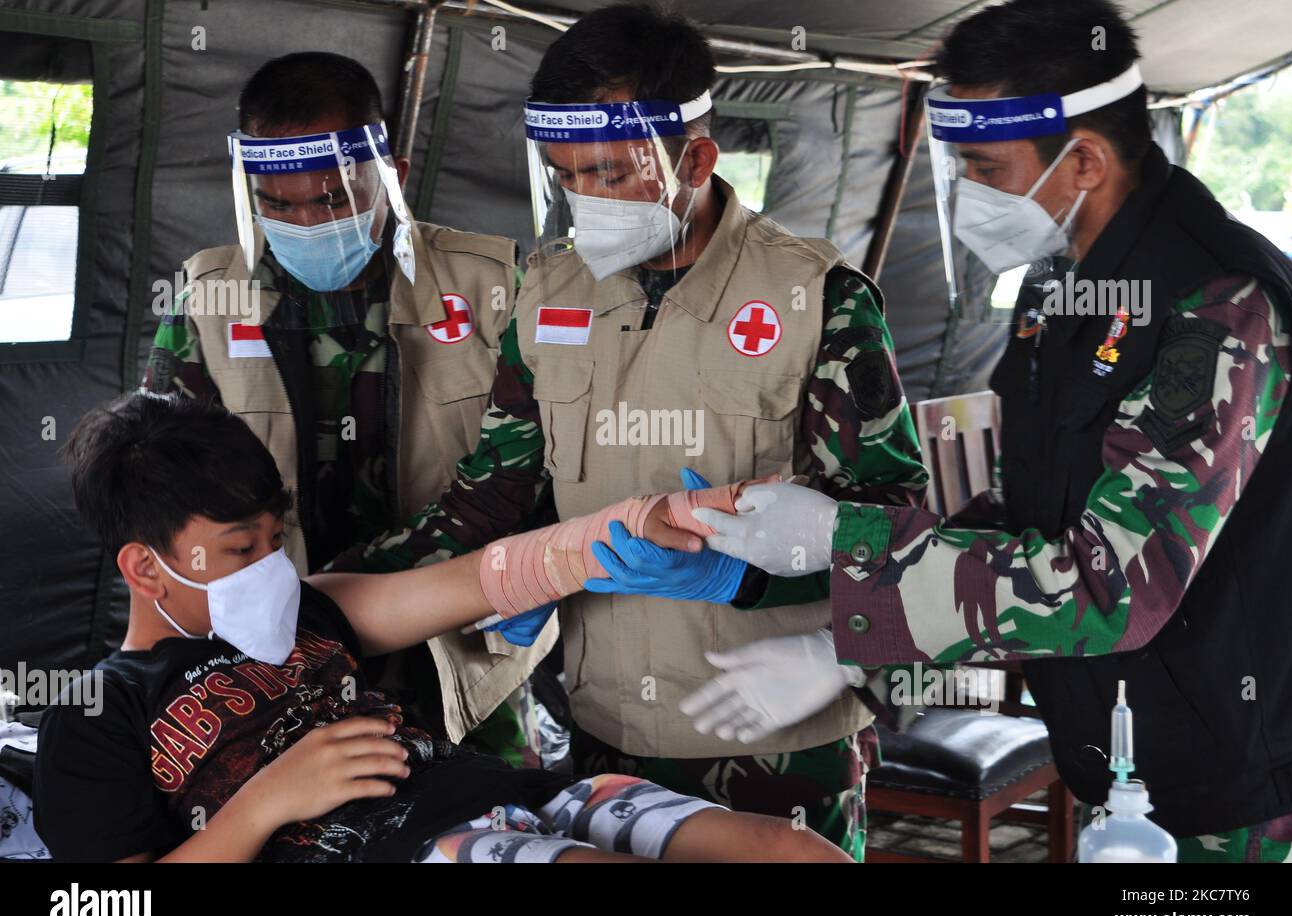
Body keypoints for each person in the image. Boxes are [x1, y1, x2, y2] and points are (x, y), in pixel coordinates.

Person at [677, 0, 1292, 863]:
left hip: (1237, 796)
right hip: (1122, 760)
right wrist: (859, 645)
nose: (966, 193)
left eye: (983, 166)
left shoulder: (1219, 306)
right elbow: (1023, 513)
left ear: (1082, 160)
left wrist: (845, 540)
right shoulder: (1057, 292)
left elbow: (1108, 584)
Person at [330, 4, 928, 861]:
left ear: (697, 158)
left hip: (782, 743)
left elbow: (898, 532)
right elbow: (488, 499)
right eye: (566, 177)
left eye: (612, 175)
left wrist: (760, 589)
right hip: (608, 741)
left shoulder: (817, 300)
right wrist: (326, 602)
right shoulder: (546, 294)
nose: (587, 203)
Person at [32, 392, 848, 863]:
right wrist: (265, 804)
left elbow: (477, 578)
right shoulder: (102, 709)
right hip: (404, 850)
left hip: (522, 797)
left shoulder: (314, 607)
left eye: (273, 541)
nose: (268, 569)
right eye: (239, 550)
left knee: (791, 852)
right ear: (145, 567)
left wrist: (643, 519)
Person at [139, 51, 550, 758]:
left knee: (487, 816)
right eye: (276, 202)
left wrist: (348, 595)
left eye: (333, 199)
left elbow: (519, 469)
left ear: (395, 173)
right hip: (271, 650)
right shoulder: (209, 298)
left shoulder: (491, 285)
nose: (305, 219)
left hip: (455, 646)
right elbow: (161, 488)